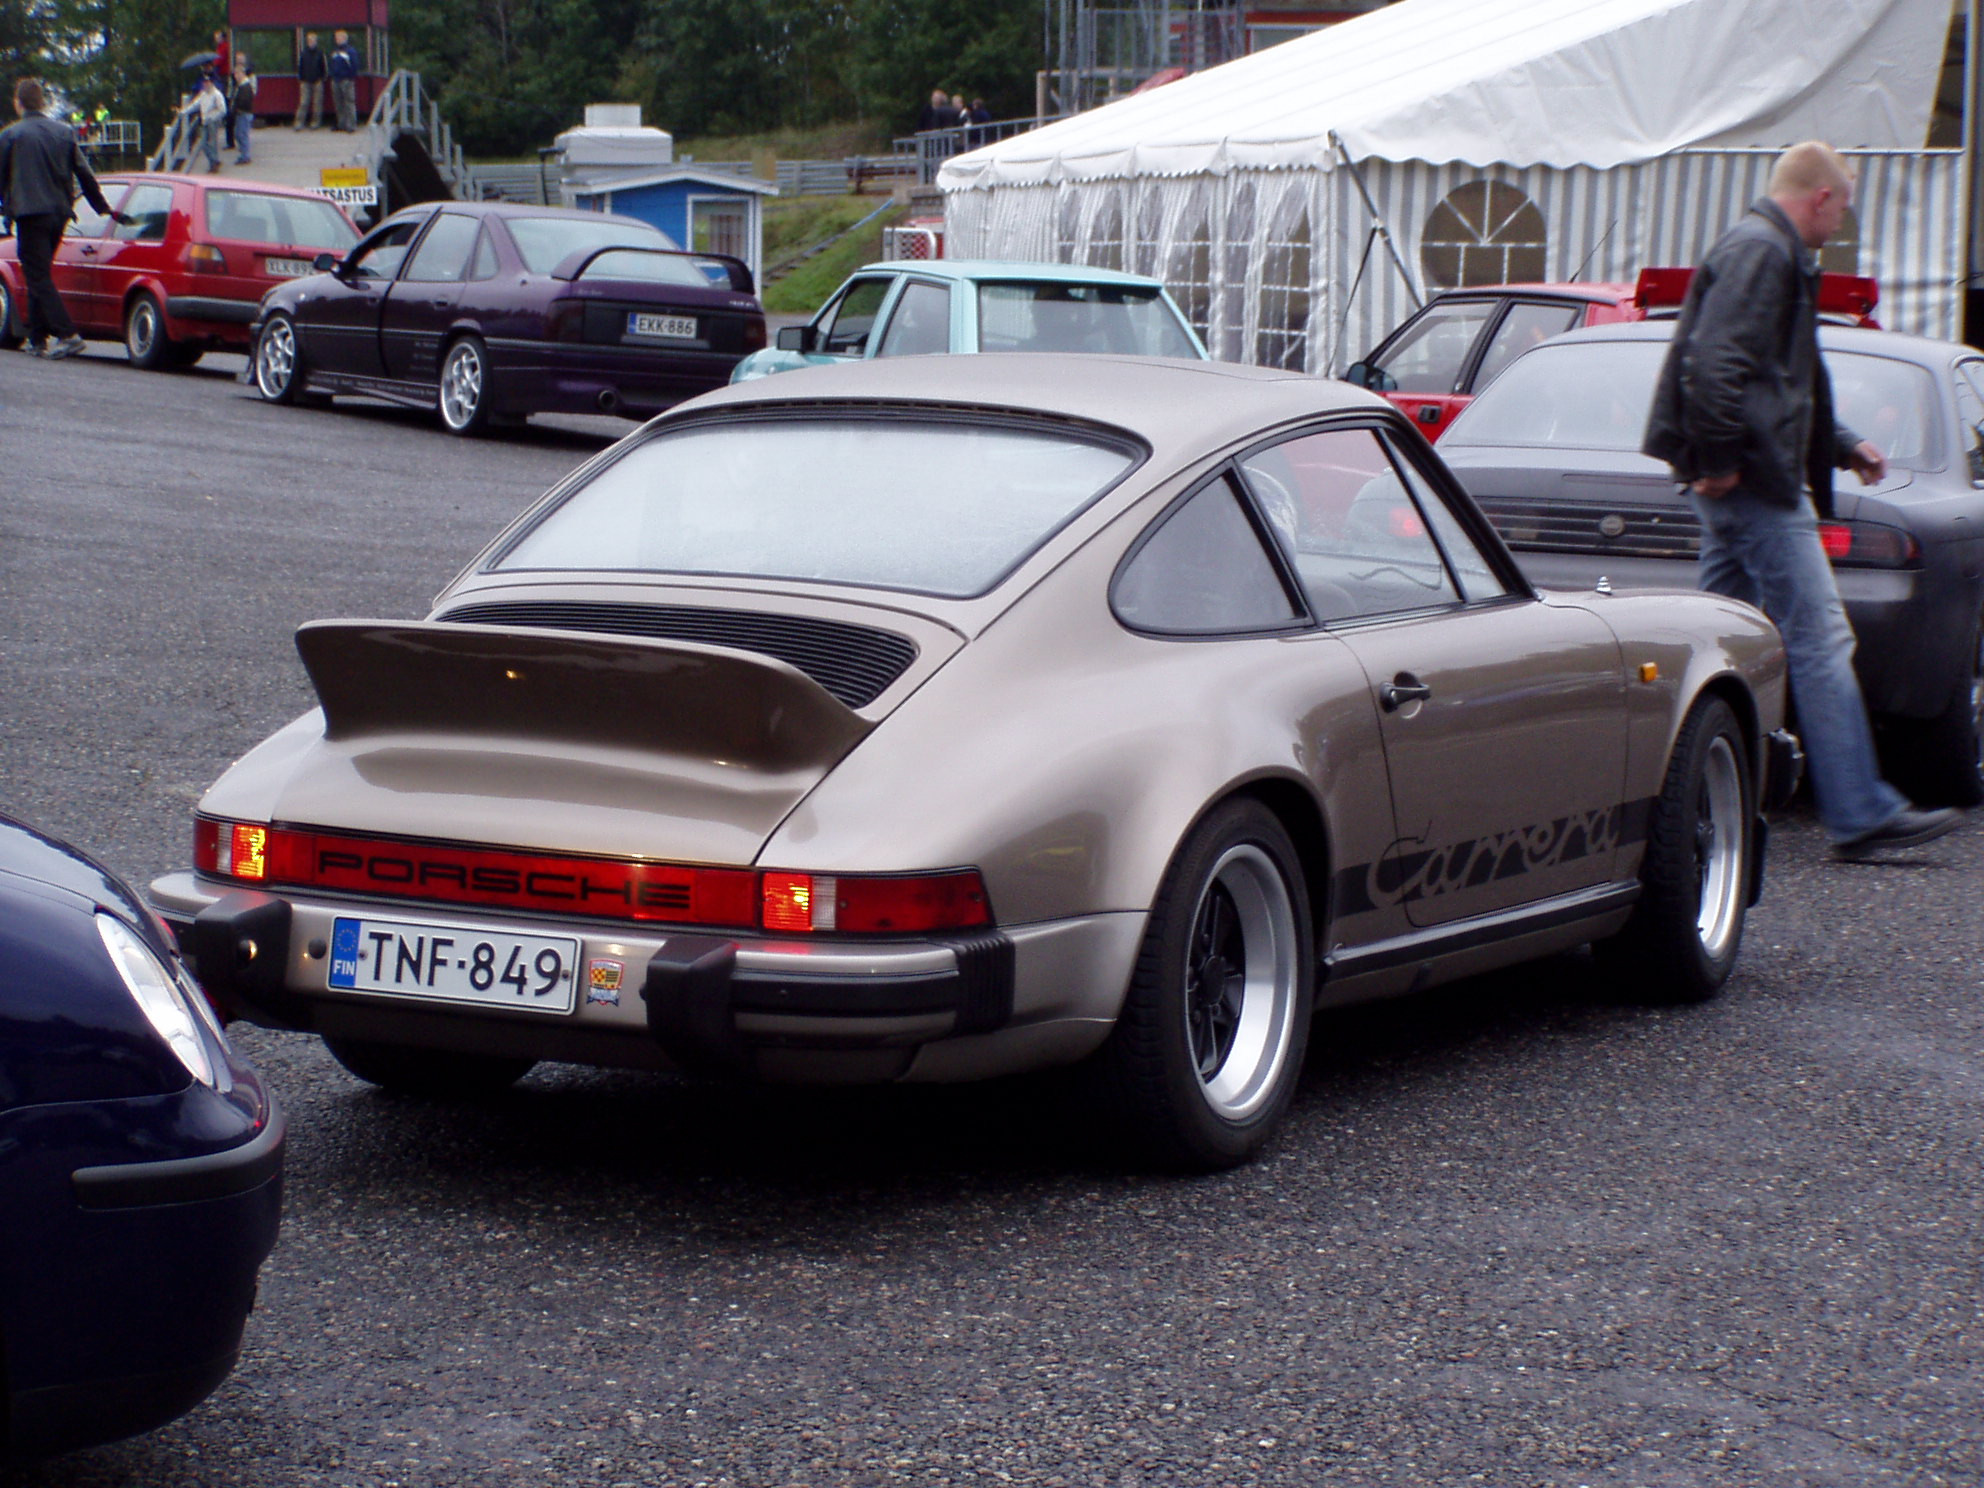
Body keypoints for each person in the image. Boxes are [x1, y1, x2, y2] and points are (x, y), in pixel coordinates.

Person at [1643, 141, 1962, 860]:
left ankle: (1672, 794)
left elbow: (1782, 376)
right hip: (1756, 480)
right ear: (1821, 197)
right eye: (1842, 206)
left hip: (1746, 475)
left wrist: (1844, 441)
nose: (1841, 222)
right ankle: (1860, 812)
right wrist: (1721, 459)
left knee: (1712, 644)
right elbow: (1715, 360)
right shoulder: (1764, 251)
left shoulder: (1767, 248)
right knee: (1821, 638)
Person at [0, 77, 126, 358]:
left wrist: (4, 212)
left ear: (18, 103)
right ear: (42, 102)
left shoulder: (11, 135)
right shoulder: (63, 132)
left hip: (30, 213)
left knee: (37, 275)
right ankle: (37, 338)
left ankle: (67, 333)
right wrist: (101, 207)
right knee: (40, 272)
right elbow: (84, 173)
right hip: (59, 214)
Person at [182, 75, 226, 172]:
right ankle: (214, 160)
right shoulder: (203, 94)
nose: (206, 84)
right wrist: (183, 112)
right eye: (204, 82)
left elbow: (223, 110)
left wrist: (213, 117)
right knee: (203, 143)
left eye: (208, 82)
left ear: (212, 83)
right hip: (204, 121)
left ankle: (213, 165)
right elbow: (195, 105)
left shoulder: (217, 95)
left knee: (212, 143)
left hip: (212, 122)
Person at [329, 31, 360, 132]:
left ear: (344, 38)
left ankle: (351, 125)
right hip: (336, 80)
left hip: (346, 80)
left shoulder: (350, 51)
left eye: (338, 37)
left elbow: (354, 65)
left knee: (349, 102)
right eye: (336, 37)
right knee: (338, 103)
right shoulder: (335, 51)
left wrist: (350, 77)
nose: (336, 39)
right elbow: (332, 64)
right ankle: (341, 124)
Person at [296, 31, 327, 129]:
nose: (311, 42)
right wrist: (301, 78)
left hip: (318, 81)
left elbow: (324, 67)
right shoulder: (303, 53)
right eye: (309, 40)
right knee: (304, 102)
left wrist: (322, 78)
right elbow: (300, 67)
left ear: (316, 41)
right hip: (305, 81)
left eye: (313, 40)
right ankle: (299, 122)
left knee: (317, 104)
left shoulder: (320, 53)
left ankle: (315, 123)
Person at [231, 60, 256, 164]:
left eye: (237, 74)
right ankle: (243, 154)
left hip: (244, 113)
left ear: (242, 73)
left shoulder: (245, 86)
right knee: (238, 134)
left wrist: (237, 106)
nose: (235, 76)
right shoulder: (240, 86)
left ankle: (245, 156)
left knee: (243, 134)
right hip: (241, 113)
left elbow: (245, 100)